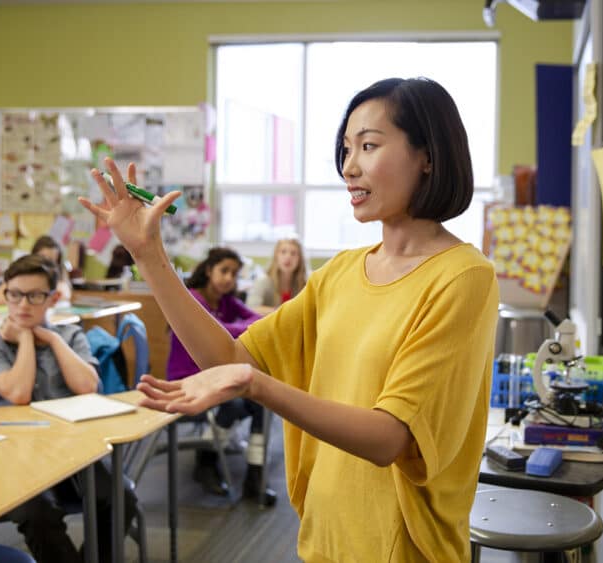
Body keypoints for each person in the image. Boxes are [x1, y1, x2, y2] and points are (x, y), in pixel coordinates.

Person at [80, 77, 499, 561]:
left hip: (400, 547)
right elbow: (228, 357)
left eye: (369, 145)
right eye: (346, 148)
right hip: (324, 535)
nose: (350, 166)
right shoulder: (340, 272)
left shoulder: (463, 277)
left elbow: (390, 437)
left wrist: (253, 385)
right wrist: (149, 256)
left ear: (428, 156)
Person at [0, 254, 138, 563]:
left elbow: (87, 386)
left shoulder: (70, 335)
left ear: (52, 298)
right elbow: (19, 393)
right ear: (5, 294)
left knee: (122, 497)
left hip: (72, 448)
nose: (23, 305)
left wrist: (50, 338)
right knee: (38, 512)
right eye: (15, 295)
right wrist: (24, 338)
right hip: (15, 454)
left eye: (34, 296)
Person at [166, 247, 275, 504]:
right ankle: (206, 461)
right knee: (234, 402)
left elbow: (255, 318)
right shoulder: (194, 299)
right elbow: (222, 330)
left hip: (216, 376)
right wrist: (241, 328)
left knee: (260, 400)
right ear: (208, 270)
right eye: (224, 271)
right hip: (187, 380)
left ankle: (254, 476)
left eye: (234, 274)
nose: (229, 278)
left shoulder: (226, 300)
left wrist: (240, 328)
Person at [0, 235, 73, 305]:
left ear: (57, 264)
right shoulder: (19, 277)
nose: (44, 265)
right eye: (41, 258)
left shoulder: (60, 283)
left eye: (50, 260)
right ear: (32, 257)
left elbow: (63, 296)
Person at [245, 237, 308, 315]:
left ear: (300, 259)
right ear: (276, 256)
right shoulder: (262, 281)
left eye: (293, 253)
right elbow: (251, 308)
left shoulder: (305, 285)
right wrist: (282, 311)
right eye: (283, 252)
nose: (288, 257)